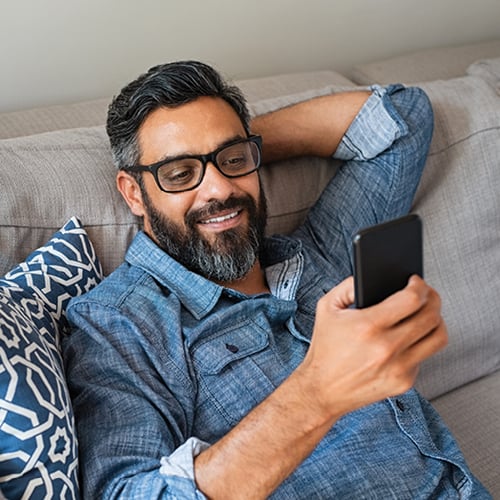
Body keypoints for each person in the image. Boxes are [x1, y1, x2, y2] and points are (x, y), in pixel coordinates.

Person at [62, 60, 490, 499]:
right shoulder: (117, 324)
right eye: (180, 173)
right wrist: (318, 390)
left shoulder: (317, 253)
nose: (219, 190)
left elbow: (404, 118)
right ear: (134, 192)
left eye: (234, 161)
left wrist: (239, 145)